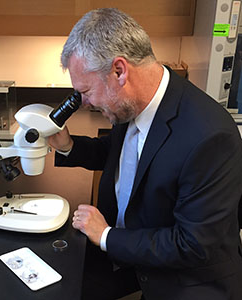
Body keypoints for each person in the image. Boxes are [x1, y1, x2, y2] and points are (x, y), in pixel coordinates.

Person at [47, 8, 242, 300]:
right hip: (132, 254)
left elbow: (191, 244)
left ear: (119, 71)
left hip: (185, 280)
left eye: (86, 91)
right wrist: (68, 147)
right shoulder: (133, 103)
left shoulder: (209, 136)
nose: (84, 103)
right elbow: (120, 155)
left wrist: (106, 236)